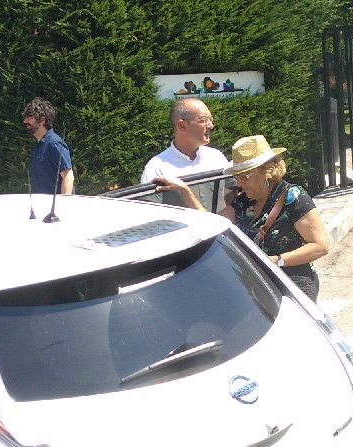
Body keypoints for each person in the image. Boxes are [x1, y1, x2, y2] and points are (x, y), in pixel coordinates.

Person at [153, 134, 330, 301]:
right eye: (237, 177)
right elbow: (212, 225)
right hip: (259, 284)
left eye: (244, 177)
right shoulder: (244, 201)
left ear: (266, 172)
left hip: (293, 283)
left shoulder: (293, 196)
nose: (239, 183)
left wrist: (276, 261)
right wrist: (185, 191)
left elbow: (320, 246)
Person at [139, 97, 230, 182]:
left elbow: (231, 194)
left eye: (210, 120)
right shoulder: (157, 169)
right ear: (182, 126)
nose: (211, 126)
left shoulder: (216, 158)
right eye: (203, 120)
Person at [22, 97, 74, 195]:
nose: (25, 121)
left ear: (42, 120)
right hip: (42, 207)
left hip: (56, 209)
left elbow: (68, 176)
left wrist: (63, 205)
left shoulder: (54, 144)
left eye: (29, 117)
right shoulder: (39, 146)